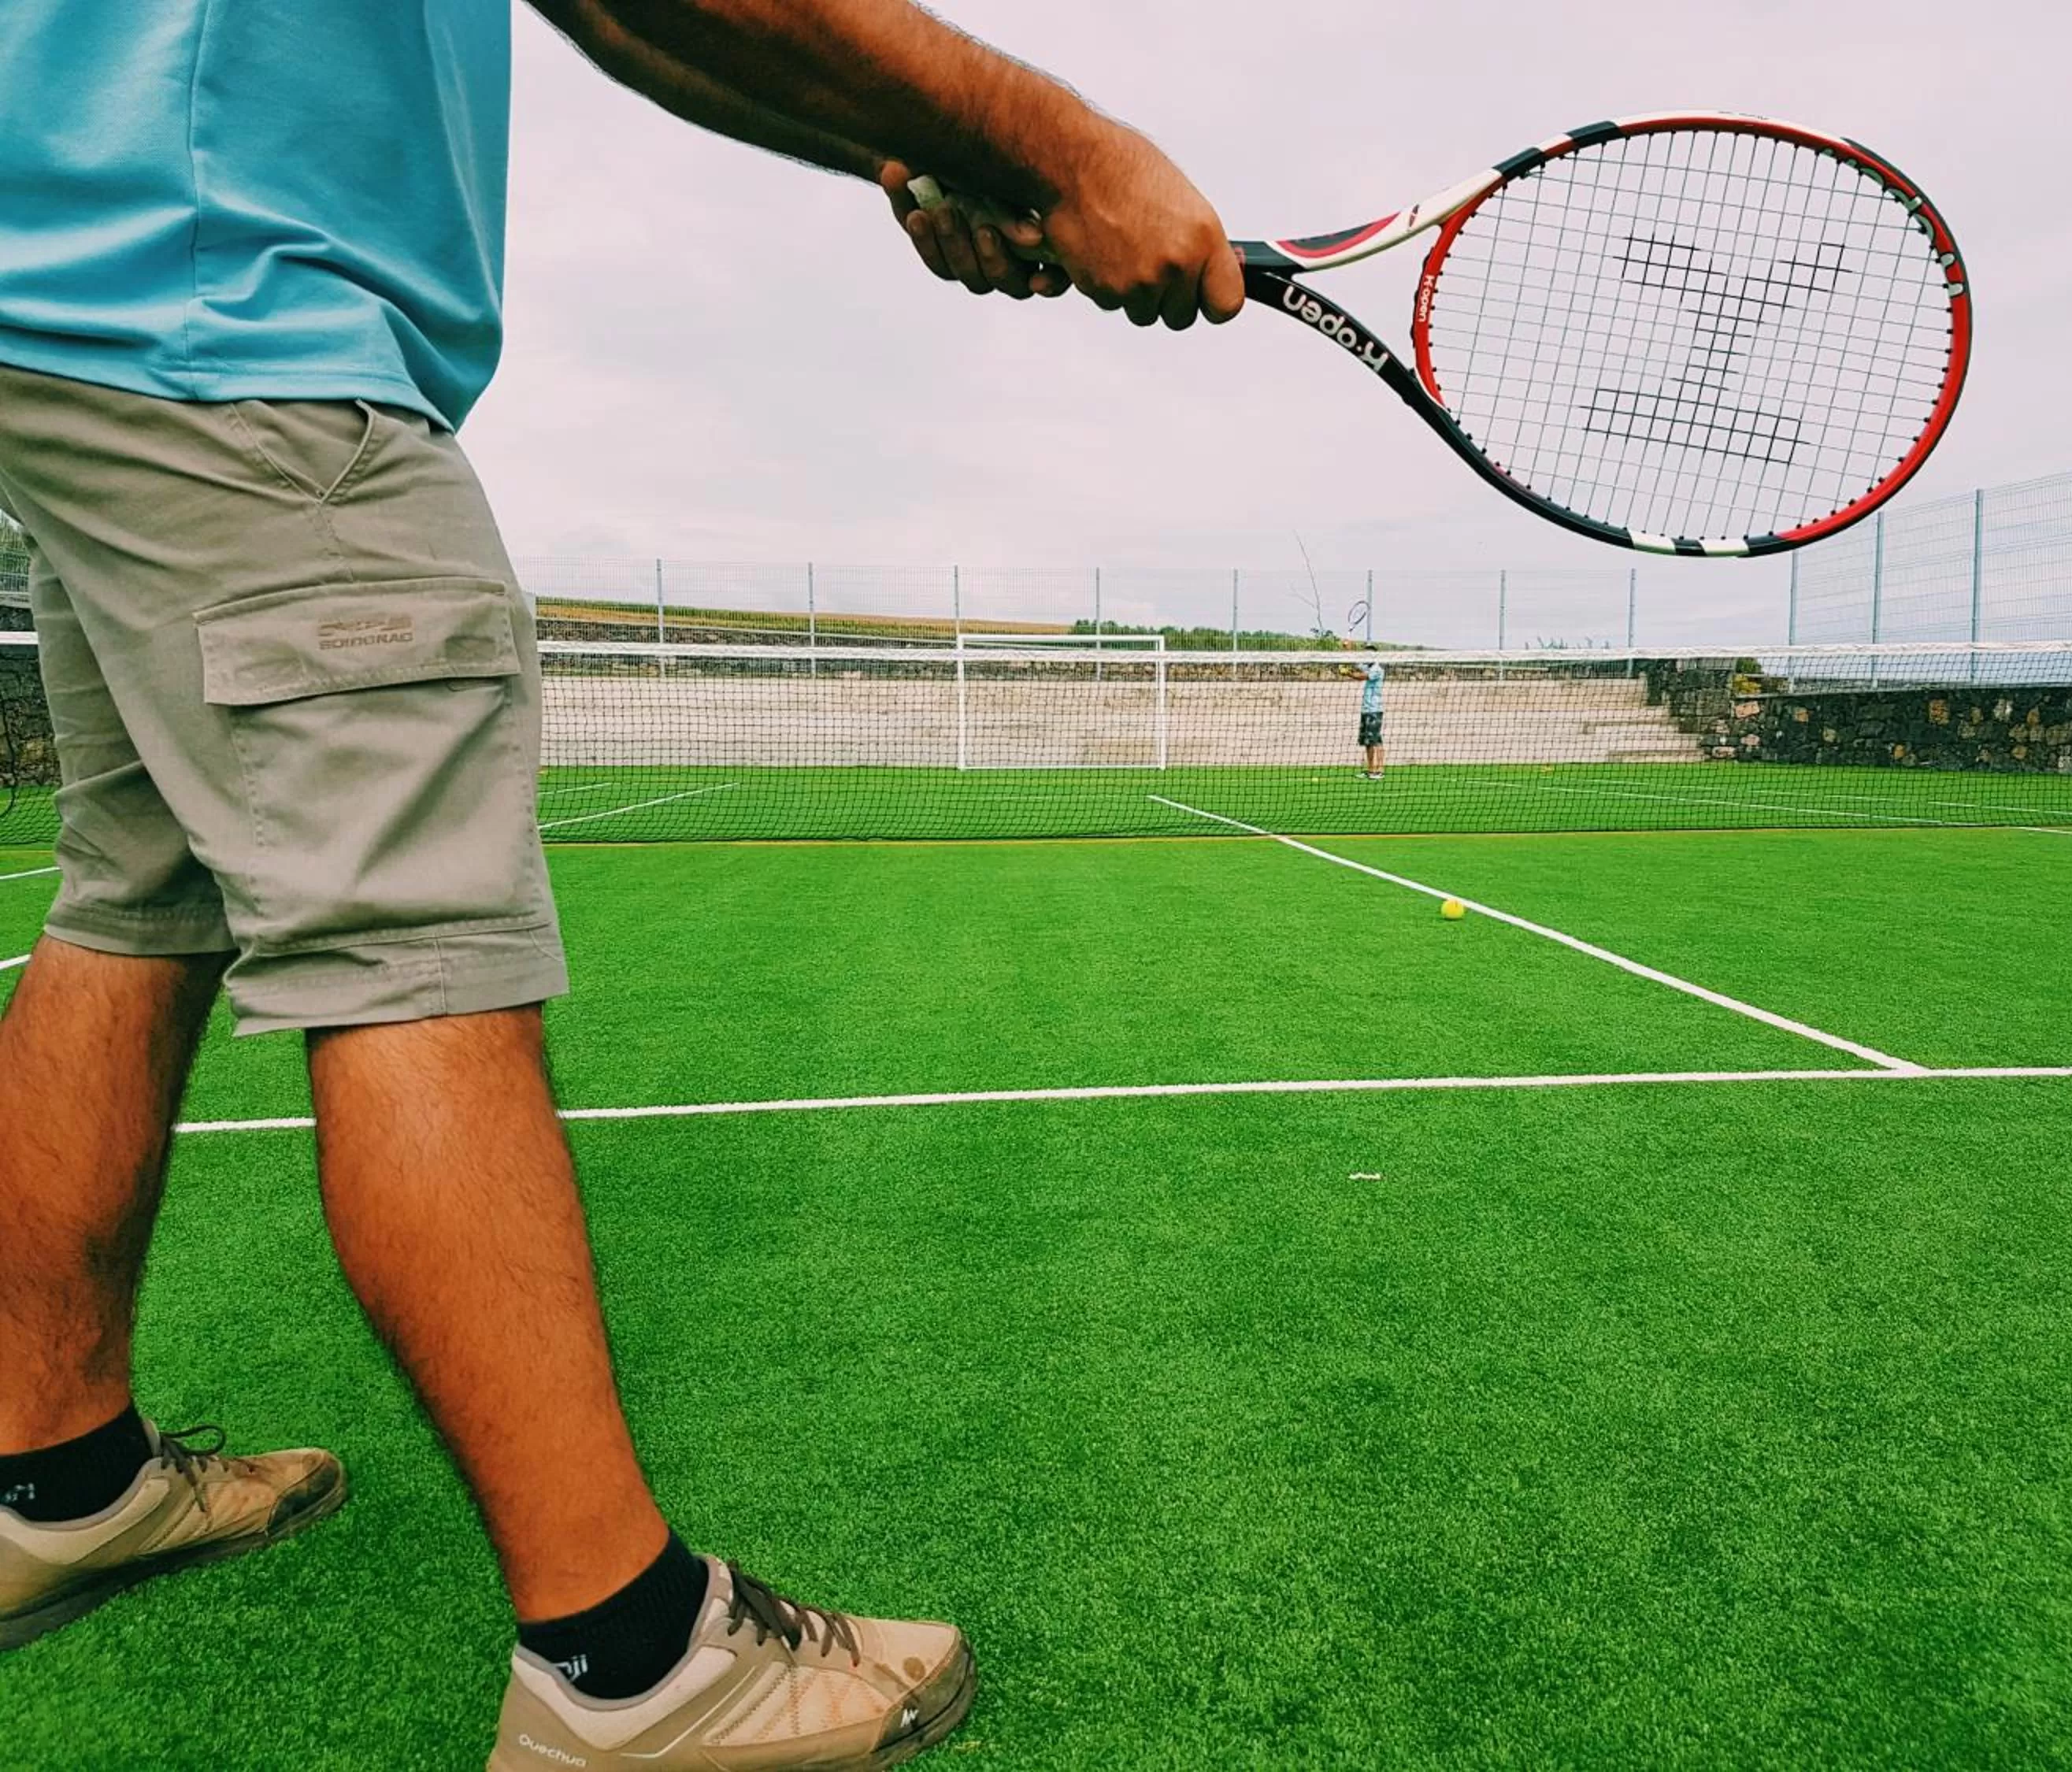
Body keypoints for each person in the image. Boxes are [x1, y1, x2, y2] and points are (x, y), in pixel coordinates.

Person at [0, 3, 1242, 1767]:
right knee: (412, 957)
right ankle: (630, 1665)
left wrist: (913, 152)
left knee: (140, 891)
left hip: (80, 306)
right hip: (243, 332)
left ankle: (55, 1476)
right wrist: (1064, 148)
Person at [1349, 654, 1387, 778]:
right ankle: (1373, 770)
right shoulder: (1369, 667)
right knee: (1371, 741)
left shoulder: (1377, 669)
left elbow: (1362, 676)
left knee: (1373, 741)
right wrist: (1349, 649)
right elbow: (1357, 663)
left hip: (1374, 710)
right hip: (1367, 710)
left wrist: (1348, 673)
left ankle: (1377, 771)